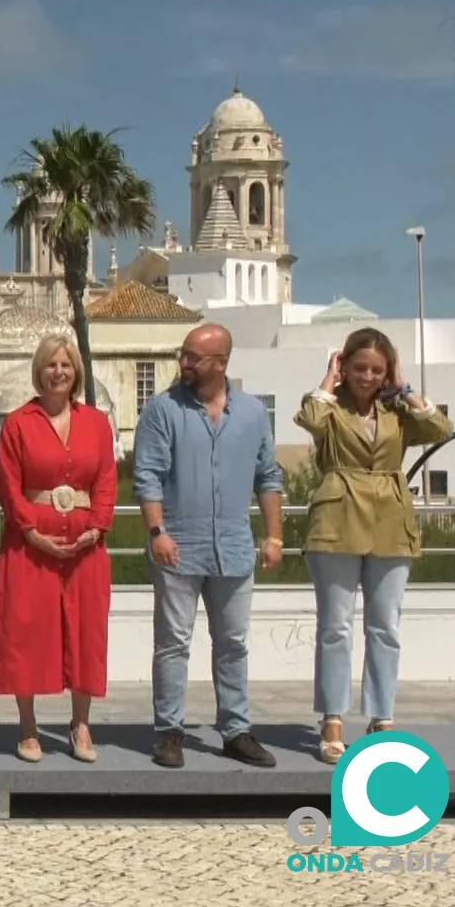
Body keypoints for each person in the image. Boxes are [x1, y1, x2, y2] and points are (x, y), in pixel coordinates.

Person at [296, 327, 452, 763]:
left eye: (377, 369)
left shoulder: (397, 410)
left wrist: (403, 386)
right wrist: (329, 379)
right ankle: (332, 719)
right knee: (336, 626)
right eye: (359, 367)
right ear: (344, 364)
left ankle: (381, 715)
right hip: (337, 518)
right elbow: (309, 418)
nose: (367, 376)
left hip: (389, 520)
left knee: (385, 626)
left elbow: (440, 428)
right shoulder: (330, 407)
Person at [134, 322, 284, 769]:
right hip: (178, 545)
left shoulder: (253, 414)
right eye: (183, 354)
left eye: (193, 357)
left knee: (233, 642)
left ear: (221, 363)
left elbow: (269, 477)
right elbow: (148, 476)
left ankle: (236, 730)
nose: (184, 363)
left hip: (234, 548)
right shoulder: (163, 410)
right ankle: (169, 730)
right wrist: (157, 531)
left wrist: (274, 535)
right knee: (173, 642)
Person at [0, 334, 116, 764]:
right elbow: (9, 484)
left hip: (84, 543)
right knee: (26, 629)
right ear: (38, 371)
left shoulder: (96, 423)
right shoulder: (19, 423)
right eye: (50, 364)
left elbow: (106, 481)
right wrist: (29, 531)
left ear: (76, 371)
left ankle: (80, 723)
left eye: (65, 364)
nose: (58, 372)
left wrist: (96, 528)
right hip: (31, 541)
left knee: (85, 632)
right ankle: (28, 727)